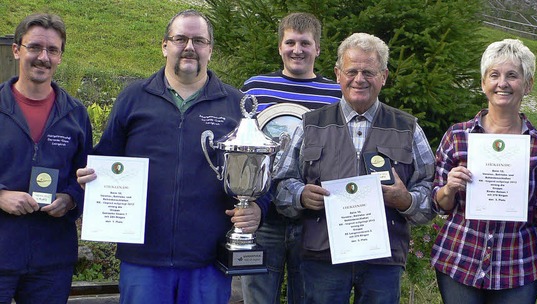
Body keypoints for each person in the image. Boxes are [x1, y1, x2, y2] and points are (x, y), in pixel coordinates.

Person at [76, 10, 266, 304]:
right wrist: (90, 176)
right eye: (180, 38)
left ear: (210, 50)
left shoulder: (235, 105)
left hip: (207, 260)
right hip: (143, 258)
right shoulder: (134, 98)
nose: (189, 47)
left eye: (199, 40)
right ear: (165, 45)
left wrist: (258, 209)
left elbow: (259, 174)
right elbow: (106, 159)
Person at [273, 32, 435, 304]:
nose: (359, 79)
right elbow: (281, 184)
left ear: (383, 76)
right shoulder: (310, 124)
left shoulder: (407, 127)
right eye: (352, 71)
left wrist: (407, 200)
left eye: (368, 72)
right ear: (338, 74)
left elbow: (431, 189)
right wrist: (300, 195)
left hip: (382, 261)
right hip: (323, 257)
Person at [430, 39, 537, 303]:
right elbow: (440, 205)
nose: (503, 83)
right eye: (494, 75)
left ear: (528, 84)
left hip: (517, 265)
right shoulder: (458, 135)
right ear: (483, 83)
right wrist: (449, 187)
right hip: (459, 259)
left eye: (513, 76)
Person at [240, 12, 341, 304]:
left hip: (315, 219)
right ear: (280, 46)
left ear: (318, 49)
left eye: (305, 43)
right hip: (262, 217)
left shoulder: (336, 95)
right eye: (290, 42)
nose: (297, 50)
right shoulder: (255, 89)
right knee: (257, 298)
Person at [0, 13, 93, 303]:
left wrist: (70, 199)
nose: (43, 57)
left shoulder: (75, 114)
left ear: (60, 57)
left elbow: (87, 176)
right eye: (35, 47)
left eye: (52, 50)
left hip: (51, 259)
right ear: (17, 50)